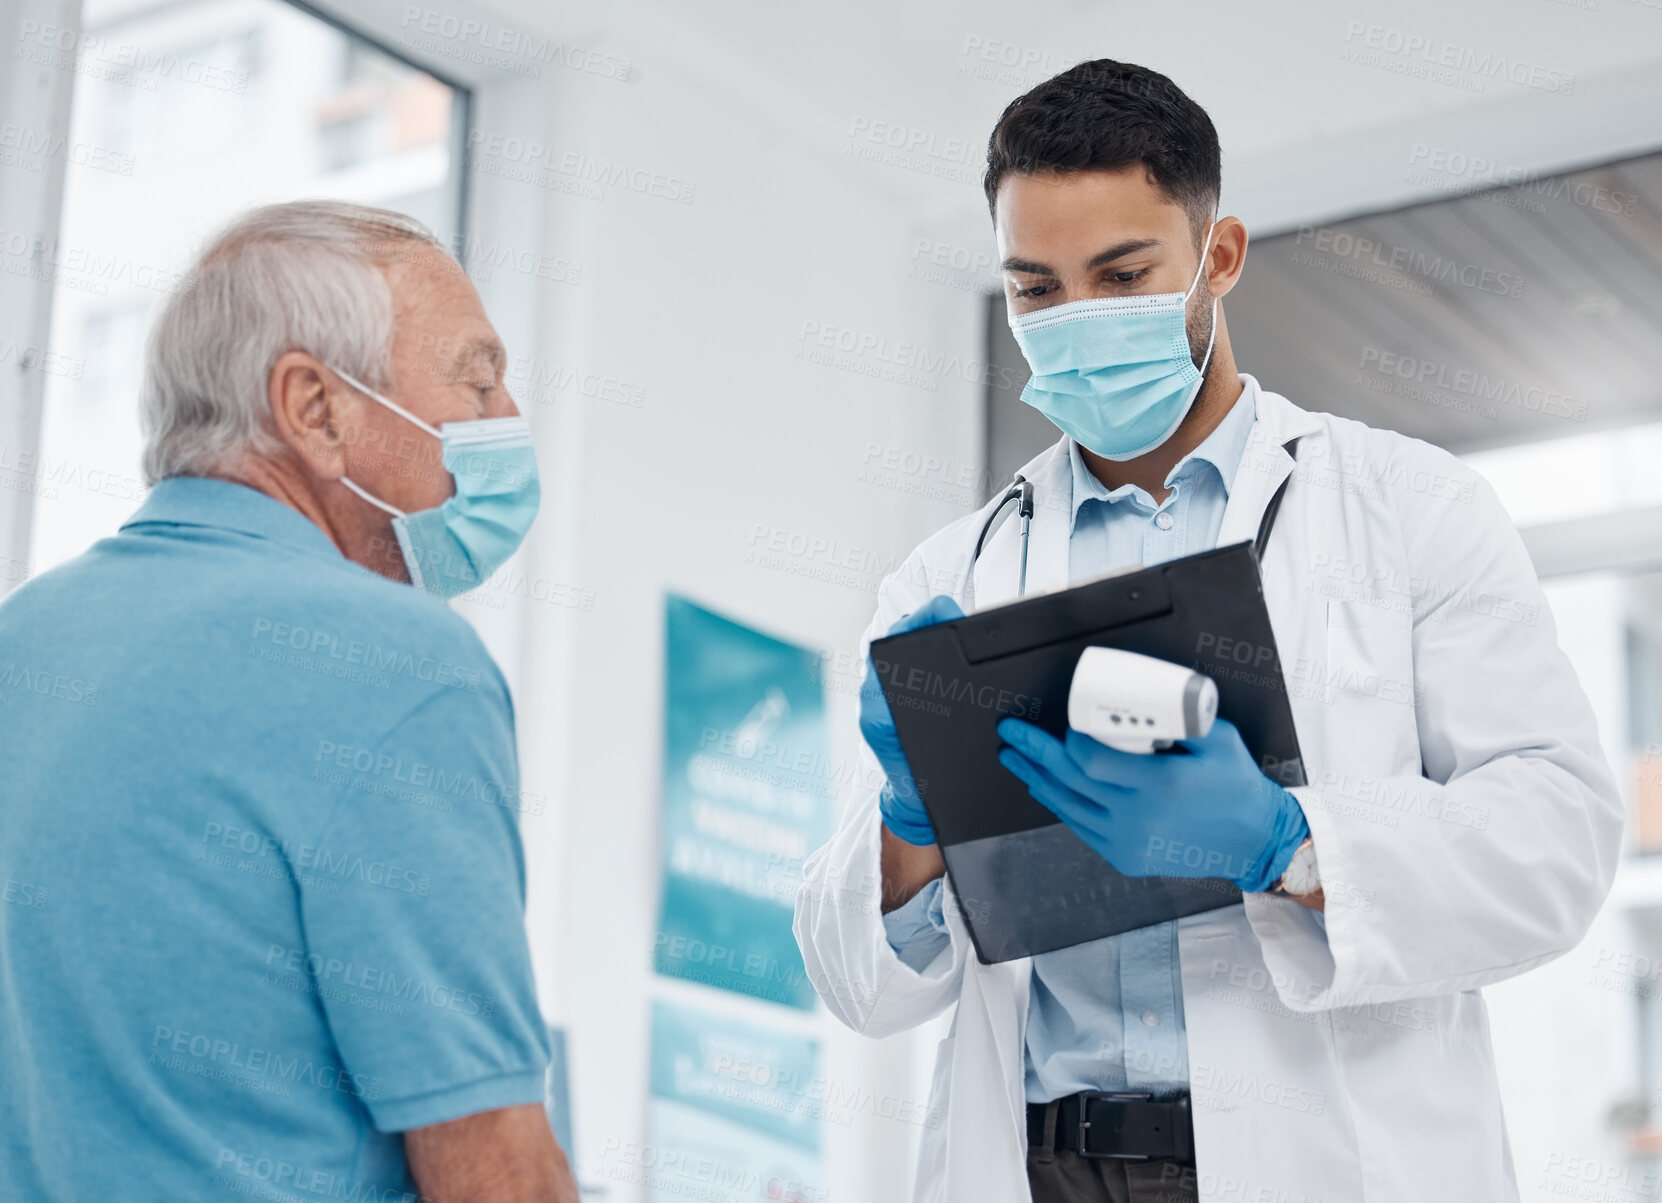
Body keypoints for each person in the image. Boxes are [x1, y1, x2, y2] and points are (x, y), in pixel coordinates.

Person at [795, 60, 1623, 1203]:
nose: (1076, 322)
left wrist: (1288, 844)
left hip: (1325, 1160)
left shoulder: (1409, 508)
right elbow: (858, 986)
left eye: (1123, 274)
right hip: (1038, 1166)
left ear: (1218, 256)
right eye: (1037, 290)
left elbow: (1559, 845)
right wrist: (907, 831)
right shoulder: (951, 577)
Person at [0, 201, 579, 1202]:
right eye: (477, 380)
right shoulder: (398, 662)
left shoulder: (22, 640)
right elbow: (491, 1172)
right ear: (316, 407)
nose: (505, 422)